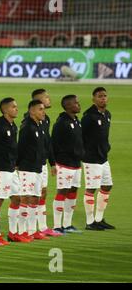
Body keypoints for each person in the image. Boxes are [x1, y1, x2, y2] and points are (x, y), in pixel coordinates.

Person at [30, 89, 61, 237]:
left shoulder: (46, 119)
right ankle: (29, 229)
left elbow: (47, 143)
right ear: (38, 100)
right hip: (32, 166)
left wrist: (52, 162)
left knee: (42, 193)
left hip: (42, 163)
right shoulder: (30, 121)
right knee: (31, 196)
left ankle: (42, 227)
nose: (49, 99)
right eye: (46, 97)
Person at [82, 87, 114, 230]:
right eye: (100, 96)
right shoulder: (89, 116)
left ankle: (99, 218)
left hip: (103, 157)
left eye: (105, 96)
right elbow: (81, 136)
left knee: (107, 185)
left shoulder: (107, 114)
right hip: (91, 158)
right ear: (93, 99)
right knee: (91, 188)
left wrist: (107, 146)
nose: (103, 98)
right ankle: (90, 222)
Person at [51, 95, 85, 234]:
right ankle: (57, 226)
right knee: (62, 191)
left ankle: (68, 224)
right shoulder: (61, 123)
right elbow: (53, 144)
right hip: (64, 163)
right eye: (75, 103)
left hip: (76, 163)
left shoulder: (76, 120)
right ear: (68, 106)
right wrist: (54, 163)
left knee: (73, 191)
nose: (78, 104)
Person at [17, 100, 47, 240]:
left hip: (37, 167)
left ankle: (31, 230)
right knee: (25, 198)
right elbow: (20, 148)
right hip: (27, 168)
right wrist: (18, 164)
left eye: (43, 109)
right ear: (32, 111)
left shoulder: (39, 126)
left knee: (36, 198)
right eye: (40, 109)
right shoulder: (27, 127)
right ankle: (21, 231)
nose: (43, 112)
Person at [0, 98, 20, 245]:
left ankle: (13, 232)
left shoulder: (12, 125)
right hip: (0, 169)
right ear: (5, 110)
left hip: (11, 169)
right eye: (13, 107)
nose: (16, 109)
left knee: (17, 199)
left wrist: (15, 162)